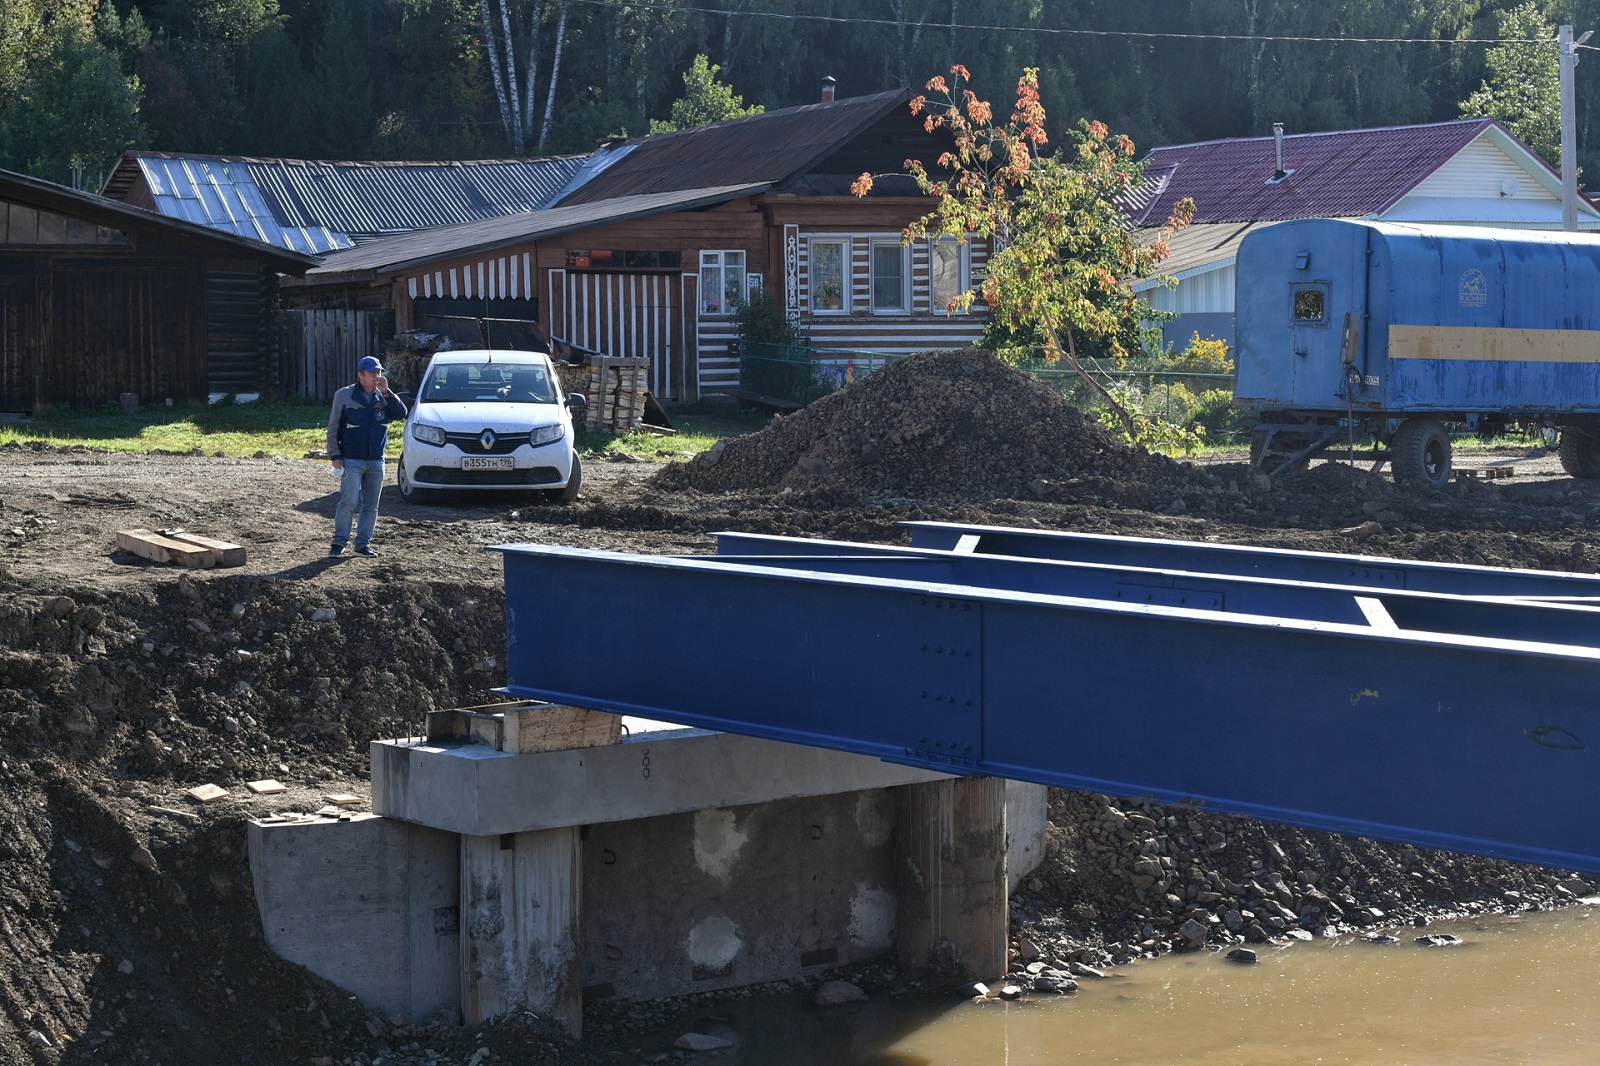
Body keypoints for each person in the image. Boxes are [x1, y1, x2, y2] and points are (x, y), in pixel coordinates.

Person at [326, 355, 407, 557]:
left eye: (378, 372)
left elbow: (401, 413)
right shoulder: (343, 396)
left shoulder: (384, 396)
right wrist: (335, 455)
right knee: (348, 502)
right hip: (351, 460)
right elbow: (333, 427)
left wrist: (387, 392)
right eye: (372, 372)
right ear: (360, 375)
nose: (376, 376)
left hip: (376, 460)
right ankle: (338, 543)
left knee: (371, 506)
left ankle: (362, 545)